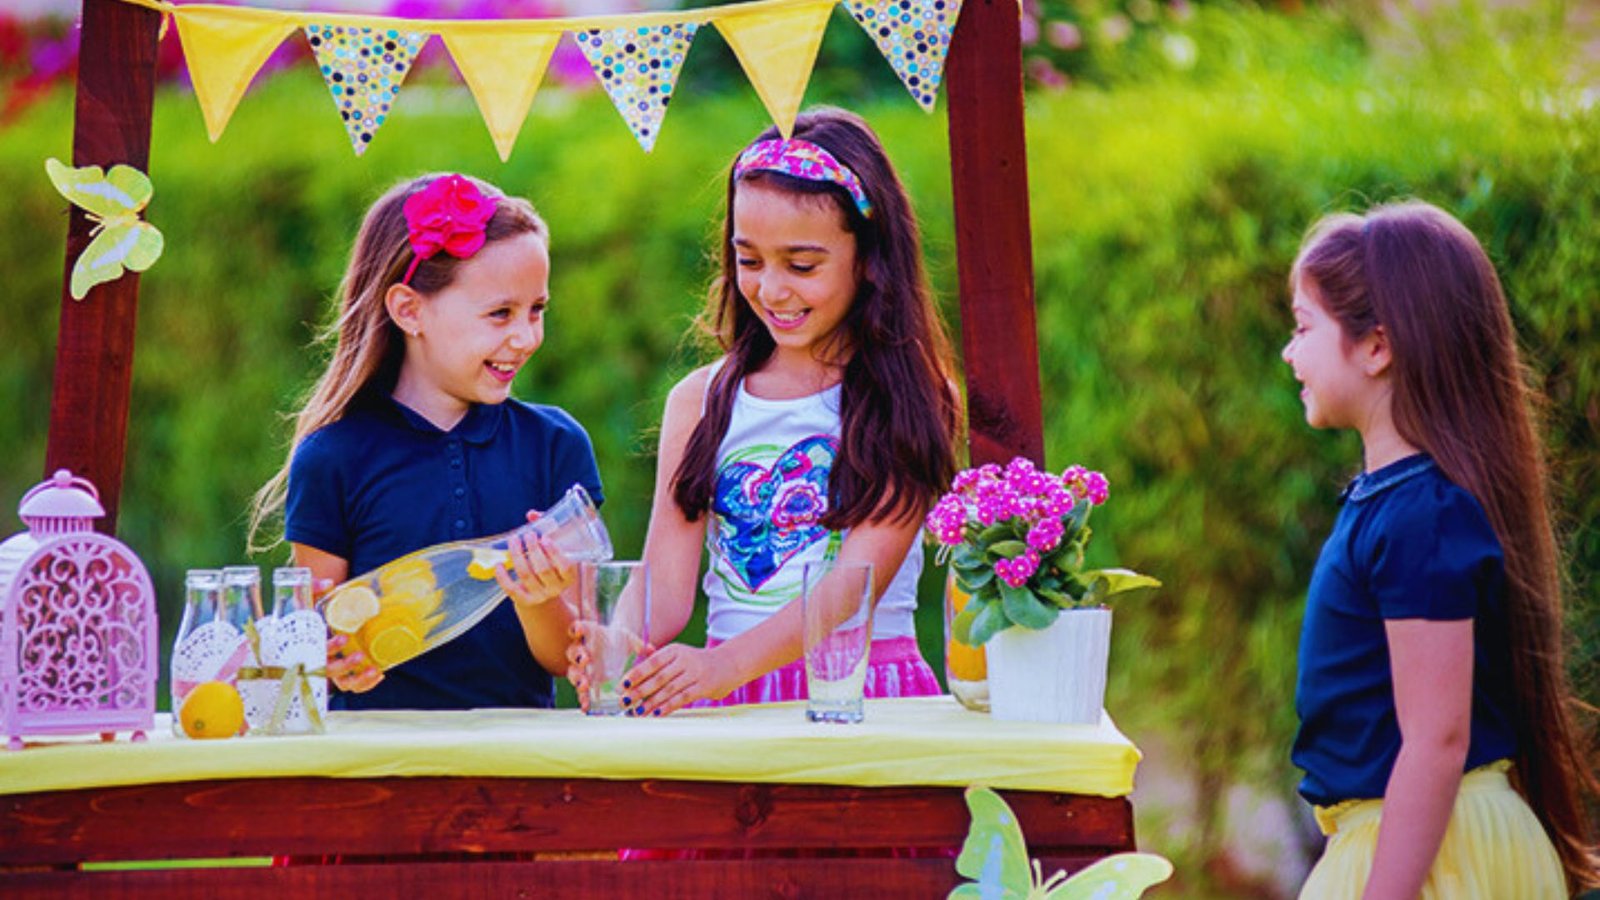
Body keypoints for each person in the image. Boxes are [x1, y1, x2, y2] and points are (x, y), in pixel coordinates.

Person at [570, 107, 961, 717]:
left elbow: (851, 590)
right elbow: (665, 589)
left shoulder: (910, 399)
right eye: (749, 261)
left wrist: (724, 666)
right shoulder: (699, 401)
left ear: (869, 258)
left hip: (857, 697)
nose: (772, 290)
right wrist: (618, 640)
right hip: (730, 703)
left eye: (802, 266)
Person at [1283, 200, 1597, 898]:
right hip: (1416, 840)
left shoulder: (1419, 516)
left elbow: (1435, 742)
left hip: (1434, 854)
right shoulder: (1395, 504)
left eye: (1304, 328)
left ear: (1376, 346)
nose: (1289, 352)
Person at [249, 172, 599, 710]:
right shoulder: (332, 458)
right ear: (409, 310)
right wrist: (333, 664)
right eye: (500, 313)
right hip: (375, 766)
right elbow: (307, 647)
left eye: (538, 310)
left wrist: (538, 598)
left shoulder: (555, 445)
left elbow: (566, 659)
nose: (526, 337)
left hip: (519, 764)